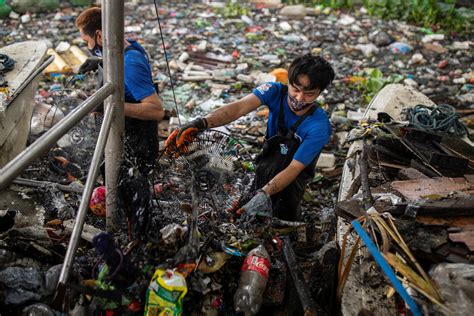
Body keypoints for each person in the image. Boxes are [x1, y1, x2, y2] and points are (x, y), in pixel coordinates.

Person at [166, 54, 335, 221]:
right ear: (288, 81)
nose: (299, 98)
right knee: (251, 198)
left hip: (293, 178)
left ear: (320, 92)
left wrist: (264, 194)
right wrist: (201, 123)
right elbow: (238, 108)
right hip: (268, 160)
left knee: (283, 213)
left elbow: (293, 169)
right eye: (295, 89)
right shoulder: (273, 91)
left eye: (309, 94)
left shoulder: (319, 127)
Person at [75, 7, 164, 175]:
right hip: (125, 139)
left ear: (100, 35)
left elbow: (156, 111)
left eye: (87, 40)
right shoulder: (124, 46)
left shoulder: (130, 63)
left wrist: (109, 105)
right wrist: (99, 61)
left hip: (136, 147)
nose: (88, 46)